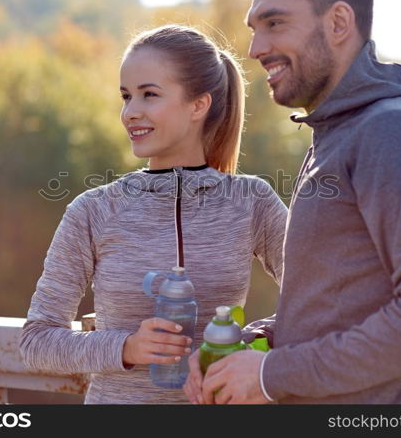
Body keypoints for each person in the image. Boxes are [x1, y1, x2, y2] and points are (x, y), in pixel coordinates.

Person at [184, 0, 401, 404]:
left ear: (338, 23)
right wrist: (261, 343)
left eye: (275, 23)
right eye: (254, 30)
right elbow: (348, 307)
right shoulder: (338, 133)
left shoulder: (390, 133)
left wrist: (271, 375)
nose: (256, 49)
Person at [19, 24, 287, 404]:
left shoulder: (251, 201)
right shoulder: (94, 210)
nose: (131, 112)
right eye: (127, 97)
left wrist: (246, 340)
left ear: (198, 105)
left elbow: (321, 302)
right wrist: (127, 347)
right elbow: (37, 341)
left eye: (149, 95)